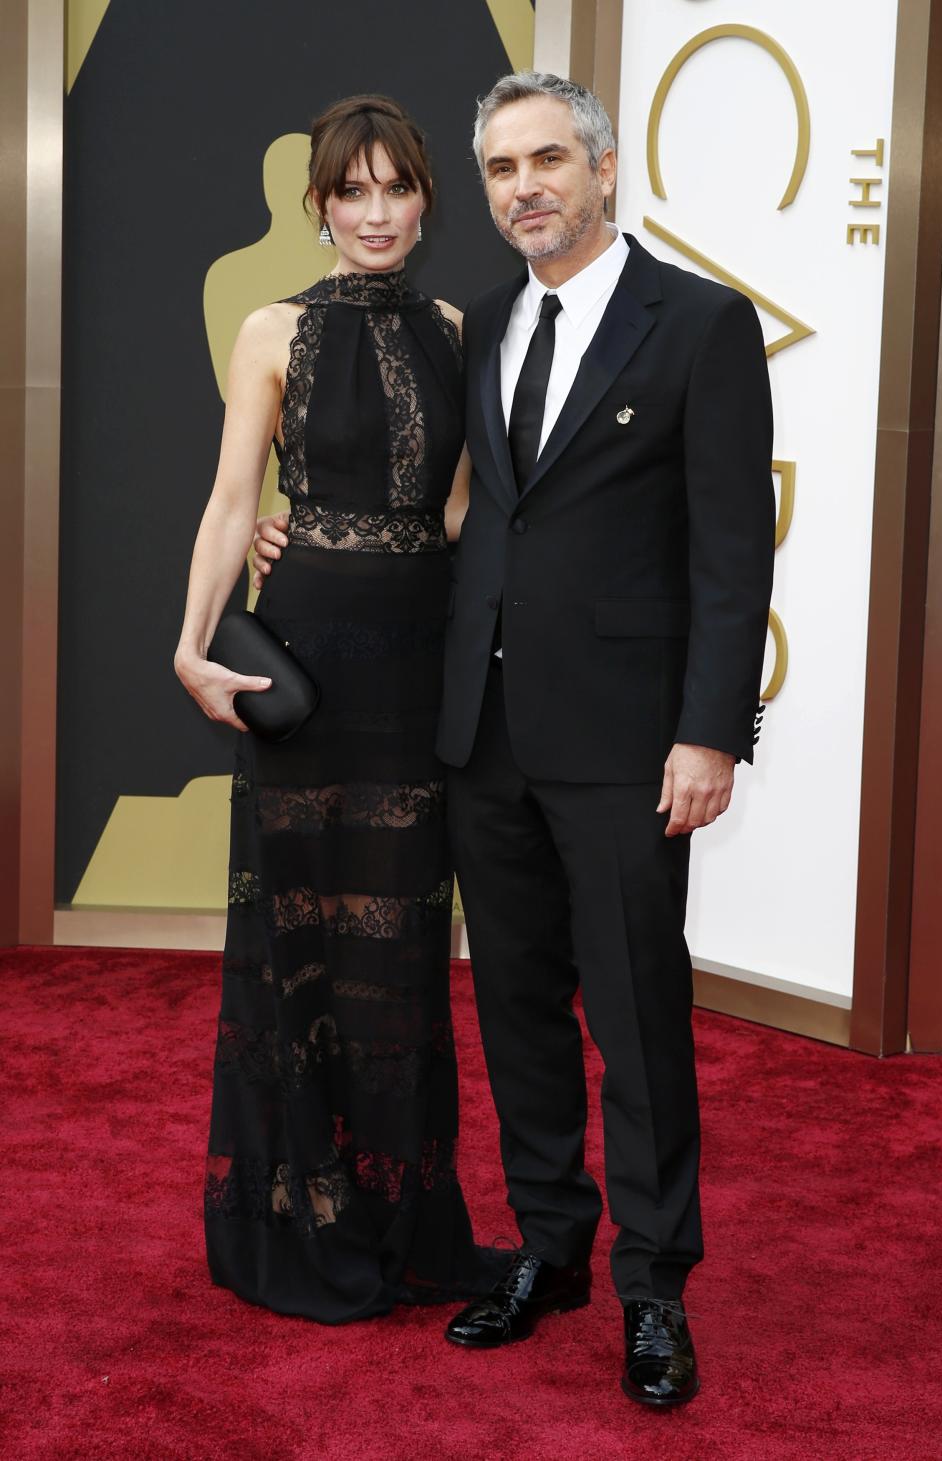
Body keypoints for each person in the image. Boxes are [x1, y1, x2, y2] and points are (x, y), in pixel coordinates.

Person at [255, 71, 774, 1404]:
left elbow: (730, 551)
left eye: (548, 159)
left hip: (624, 743)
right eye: (500, 169)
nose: (524, 186)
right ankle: (553, 1250)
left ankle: (656, 1289)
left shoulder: (699, 325)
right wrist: (288, 537)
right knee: (519, 1014)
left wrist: (711, 732)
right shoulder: (475, 323)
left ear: (603, 171)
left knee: (640, 1024)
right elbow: (448, 508)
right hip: (478, 734)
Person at [174, 94, 502, 1324]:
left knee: (403, 951)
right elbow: (227, 500)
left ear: (427, 198)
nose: (376, 212)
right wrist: (192, 642)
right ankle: (300, 1212)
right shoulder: (270, 330)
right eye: (351, 191)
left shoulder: (464, 328)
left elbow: (467, 512)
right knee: (301, 939)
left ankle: (400, 1214)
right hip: (309, 656)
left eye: (397, 188)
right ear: (319, 207)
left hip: (419, 666)